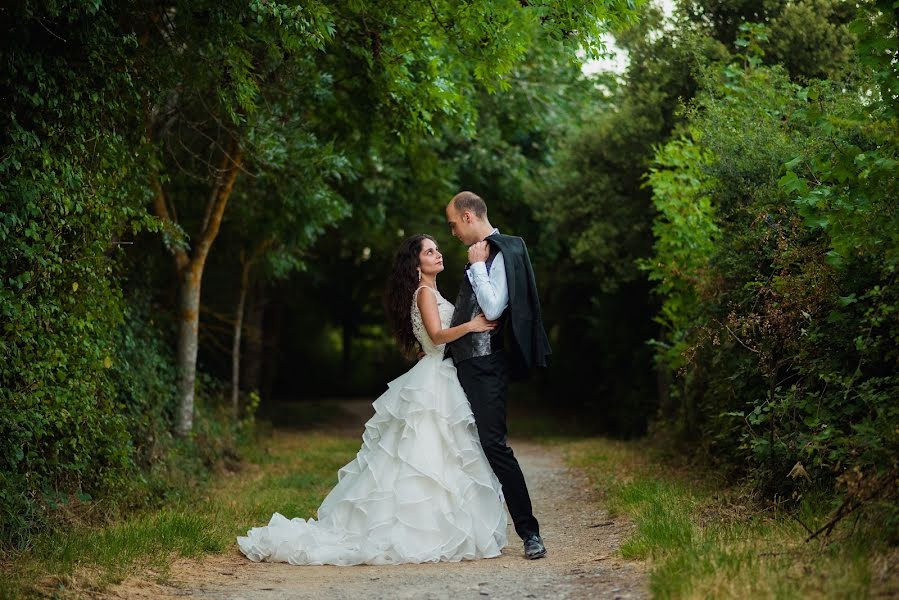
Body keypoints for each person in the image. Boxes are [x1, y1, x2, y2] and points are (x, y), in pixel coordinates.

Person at [237, 234, 508, 565]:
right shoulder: (424, 292)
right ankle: (419, 529)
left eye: (437, 249)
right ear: (416, 262)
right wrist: (473, 325)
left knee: (438, 451)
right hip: (435, 378)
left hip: (438, 372)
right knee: (423, 453)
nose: (438, 254)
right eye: (430, 251)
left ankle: (439, 526)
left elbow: (431, 340)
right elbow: (437, 336)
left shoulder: (431, 291)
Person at [444, 191, 552, 560]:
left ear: (470, 216)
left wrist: (476, 268)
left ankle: (529, 532)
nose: (453, 232)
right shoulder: (479, 252)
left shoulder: (502, 252)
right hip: (460, 363)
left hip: (486, 365)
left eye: (454, 223)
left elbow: (492, 308)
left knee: (494, 446)